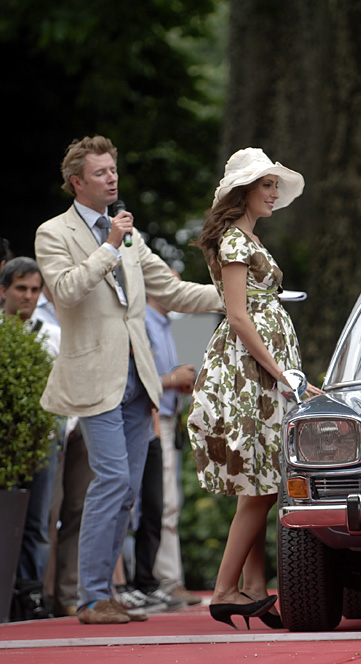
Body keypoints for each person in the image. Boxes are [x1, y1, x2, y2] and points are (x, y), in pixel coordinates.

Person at [34, 135, 223, 625]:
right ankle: (92, 597)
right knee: (113, 479)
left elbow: (174, 291)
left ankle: (105, 594)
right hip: (94, 380)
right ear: (77, 183)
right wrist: (110, 246)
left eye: (113, 170)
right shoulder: (54, 233)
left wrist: (234, 294)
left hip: (141, 382)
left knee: (129, 491)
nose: (112, 178)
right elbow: (66, 292)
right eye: (101, 173)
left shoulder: (130, 236)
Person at [187, 148, 321, 630]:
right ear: (243, 190)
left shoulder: (243, 238)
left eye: (274, 185)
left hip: (257, 369)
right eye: (266, 184)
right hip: (248, 372)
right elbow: (239, 316)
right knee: (261, 486)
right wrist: (281, 372)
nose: (274, 192)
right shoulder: (234, 242)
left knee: (260, 482)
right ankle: (226, 590)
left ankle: (255, 590)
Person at [1, 257, 61, 619]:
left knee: (38, 521)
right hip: (6, 440)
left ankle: (31, 598)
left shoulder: (53, 334)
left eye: (35, 290)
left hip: (44, 438)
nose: (28, 296)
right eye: (21, 288)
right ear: (3, 290)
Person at [145, 289, 202, 607]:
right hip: (152, 421)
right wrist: (171, 378)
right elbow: (137, 377)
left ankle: (163, 579)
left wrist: (176, 382)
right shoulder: (143, 321)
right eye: (172, 287)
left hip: (168, 420)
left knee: (168, 503)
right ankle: (165, 580)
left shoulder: (166, 325)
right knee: (161, 504)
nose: (179, 294)